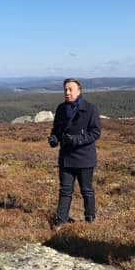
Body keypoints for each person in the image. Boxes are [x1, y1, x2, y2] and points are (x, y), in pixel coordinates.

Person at [48, 78, 101, 227]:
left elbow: (95, 132)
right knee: (65, 190)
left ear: (79, 91)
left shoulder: (90, 108)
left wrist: (77, 140)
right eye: (65, 89)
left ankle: (90, 219)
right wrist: (54, 138)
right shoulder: (61, 109)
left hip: (85, 158)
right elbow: (57, 129)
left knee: (86, 191)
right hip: (66, 158)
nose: (67, 92)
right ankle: (60, 221)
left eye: (70, 89)